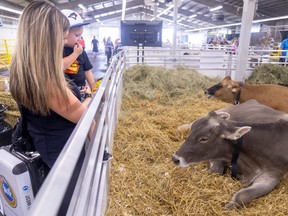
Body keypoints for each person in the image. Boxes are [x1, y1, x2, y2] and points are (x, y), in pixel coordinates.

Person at [9, 1, 93, 169]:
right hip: (64, 154)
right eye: (61, 39)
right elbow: (84, 118)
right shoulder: (46, 80)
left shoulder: (27, 68)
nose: (62, 44)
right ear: (47, 39)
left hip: (48, 145)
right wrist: (89, 96)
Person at [61, 9, 97, 95]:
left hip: (81, 89)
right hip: (64, 92)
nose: (80, 39)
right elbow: (57, 67)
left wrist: (93, 87)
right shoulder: (56, 50)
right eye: (77, 35)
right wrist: (75, 54)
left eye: (81, 35)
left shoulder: (80, 50)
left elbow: (87, 70)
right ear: (63, 32)